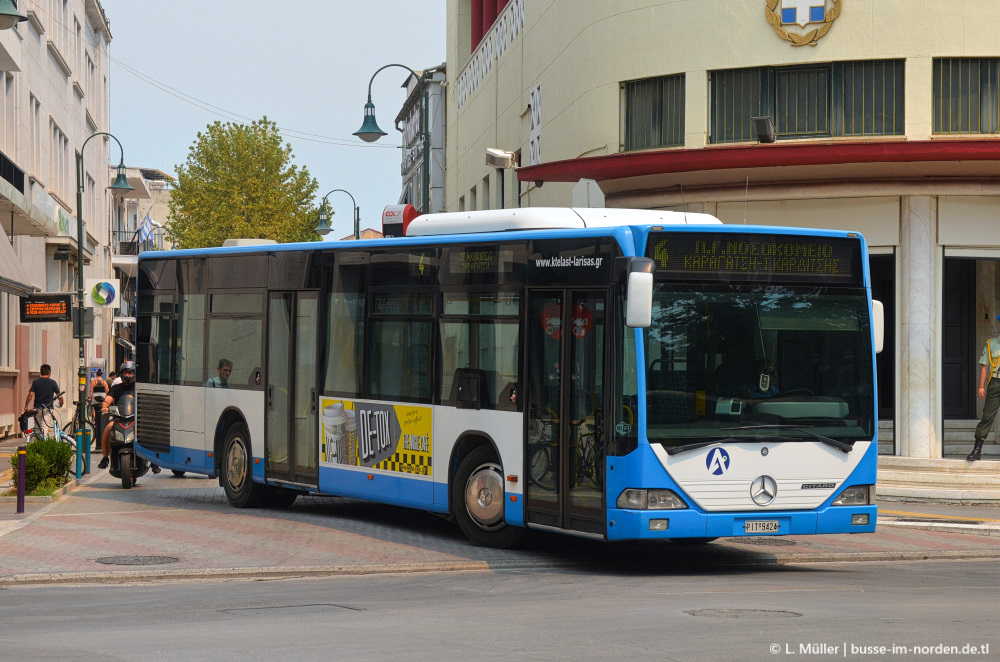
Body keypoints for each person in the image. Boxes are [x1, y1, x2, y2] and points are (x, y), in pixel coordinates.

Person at [99, 361, 160, 474]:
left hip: (137, 419)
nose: (127, 375)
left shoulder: (139, 387)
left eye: (130, 373)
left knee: (149, 432)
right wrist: (105, 407)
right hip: (119, 418)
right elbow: (107, 400)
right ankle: (105, 458)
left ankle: (153, 461)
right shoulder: (116, 388)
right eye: (125, 372)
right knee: (107, 429)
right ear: (121, 373)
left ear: (134, 374)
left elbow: (147, 399)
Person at [970, 316, 1000, 461]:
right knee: (987, 416)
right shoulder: (991, 344)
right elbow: (985, 367)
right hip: (995, 382)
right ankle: (977, 450)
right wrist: (981, 386)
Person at [23, 364, 64, 436]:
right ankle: (43, 443)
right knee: (45, 427)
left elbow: (30, 395)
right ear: (49, 372)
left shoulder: (36, 382)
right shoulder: (53, 382)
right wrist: (61, 403)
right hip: (48, 408)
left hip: (37, 408)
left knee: (37, 428)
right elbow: (59, 395)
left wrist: (26, 406)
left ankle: (37, 443)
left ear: (41, 372)